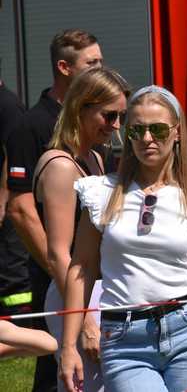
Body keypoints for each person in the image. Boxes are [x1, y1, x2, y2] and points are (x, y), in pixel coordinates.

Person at [59, 86, 187, 392]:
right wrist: (68, 344)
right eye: (137, 130)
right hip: (124, 337)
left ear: (176, 133)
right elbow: (82, 267)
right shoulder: (100, 193)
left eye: (158, 129)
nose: (147, 138)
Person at [5, 28, 103, 392]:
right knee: (56, 365)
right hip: (54, 271)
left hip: (86, 269)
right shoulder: (30, 125)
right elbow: (20, 209)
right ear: (64, 67)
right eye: (91, 63)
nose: (99, 70)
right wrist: (59, 268)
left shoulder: (92, 126)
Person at [34, 67, 129, 391]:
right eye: (109, 115)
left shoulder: (94, 158)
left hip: (96, 290)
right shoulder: (61, 165)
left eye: (121, 117)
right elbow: (58, 252)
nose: (116, 126)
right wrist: (84, 319)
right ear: (80, 107)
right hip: (72, 295)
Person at [0, 80, 31, 327]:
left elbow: (11, 155)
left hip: (10, 198)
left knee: (12, 264)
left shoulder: (7, 105)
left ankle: (19, 321)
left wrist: (3, 199)